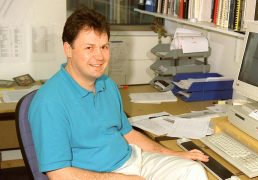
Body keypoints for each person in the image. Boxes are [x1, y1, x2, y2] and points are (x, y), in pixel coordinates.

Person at [29, 6, 209, 180]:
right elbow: (58, 174)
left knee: (192, 171)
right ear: (68, 49)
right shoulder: (49, 102)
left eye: (104, 47)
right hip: (95, 175)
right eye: (89, 48)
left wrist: (174, 154)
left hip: (133, 160)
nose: (99, 56)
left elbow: (127, 133)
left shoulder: (107, 84)